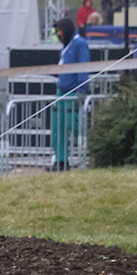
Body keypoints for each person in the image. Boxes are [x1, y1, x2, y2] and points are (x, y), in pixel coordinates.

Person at [51, 17, 90, 172]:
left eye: (59, 30)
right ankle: (61, 160)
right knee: (57, 128)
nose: (58, 34)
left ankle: (86, 153)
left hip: (73, 92)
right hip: (61, 92)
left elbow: (83, 66)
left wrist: (81, 90)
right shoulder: (65, 46)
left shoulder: (80, 44)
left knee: (73, 126)